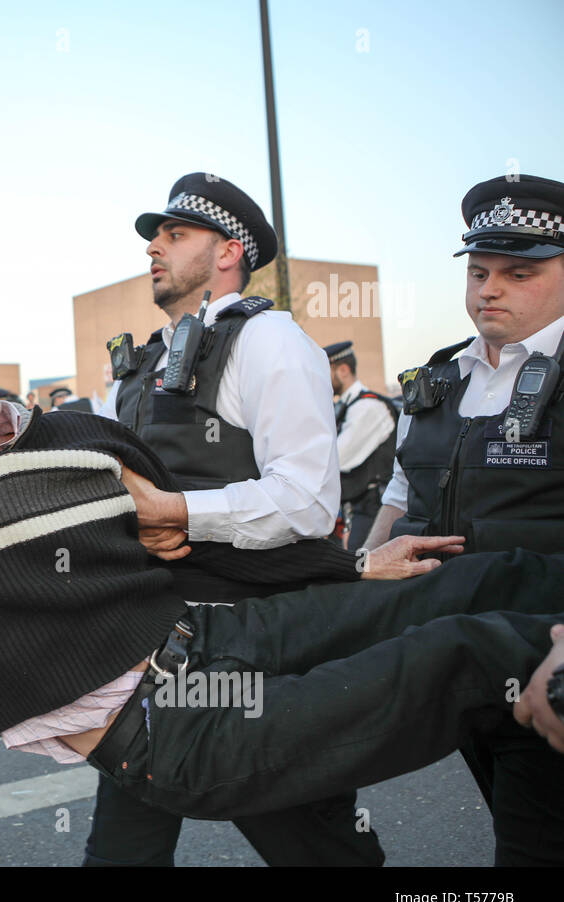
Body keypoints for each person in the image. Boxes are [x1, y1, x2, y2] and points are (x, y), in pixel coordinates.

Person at [0, 305, 564, 828]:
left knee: (482, 581)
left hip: (213, 628)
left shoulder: (86, 438)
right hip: (165, 720)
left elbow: (193, 544)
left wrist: (356, 576)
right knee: (467, 652)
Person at [91, 173, 375, 866]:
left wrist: (181, 512)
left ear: (228, 251)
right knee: (122, 853)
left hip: (259, 648)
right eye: (155, 237)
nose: (154, 247)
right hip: (148, 649)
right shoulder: (139, 365)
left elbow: (308, 499)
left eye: (174, 234)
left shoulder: (270, 338)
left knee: (315, 848)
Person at [362, 173, 564, 865]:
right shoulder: (441, 376)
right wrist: (363, 574)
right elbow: (400, 490)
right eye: (479, 271)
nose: (490, 289)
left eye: (520, 271)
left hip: (543, 659)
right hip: (451, 662)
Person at [324, 341, 397, 551]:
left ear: (343, 370)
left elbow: (337, 458)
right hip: (357, 508)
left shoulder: (367, 407)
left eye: (325, 371)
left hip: (374, 510)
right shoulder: (346, 405)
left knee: (362, 567)